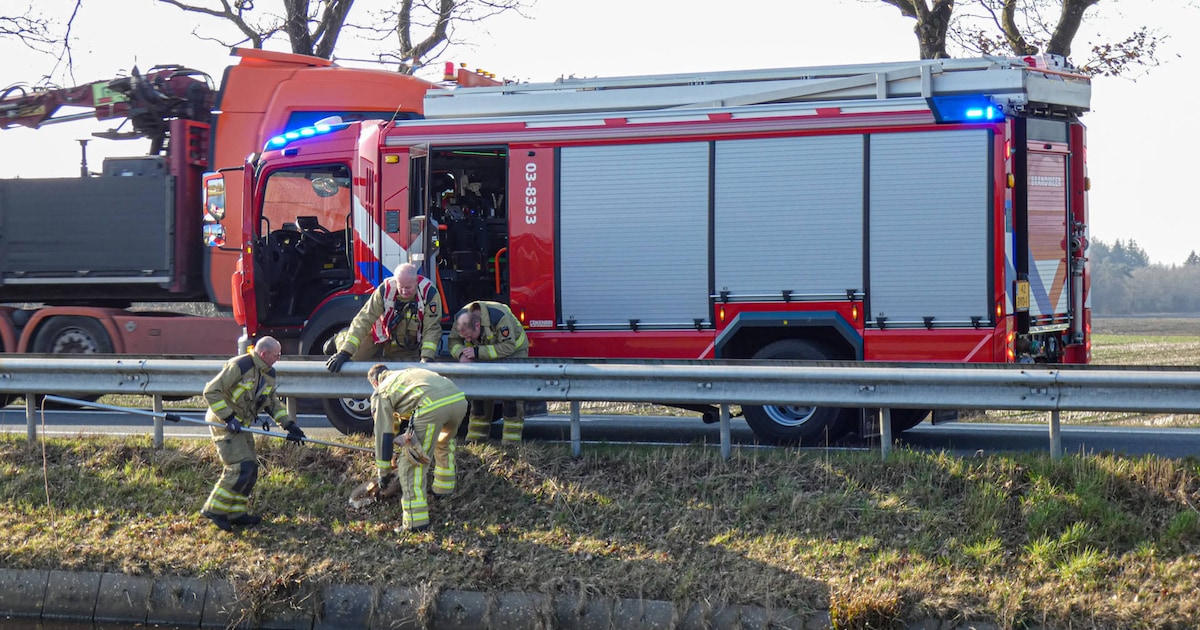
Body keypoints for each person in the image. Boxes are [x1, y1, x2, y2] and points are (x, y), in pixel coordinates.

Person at [199, 336, 306, 532]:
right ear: (264, 354)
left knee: (251, 470)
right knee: (240, 467)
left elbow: (272, 403)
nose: (278, 359)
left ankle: (236, 513)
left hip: (241, 424)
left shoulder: (269, 373)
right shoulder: (240, 366)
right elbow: (211, 391)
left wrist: (289, 425)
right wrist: (229, 417)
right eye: (276, 355)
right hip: (224, 422)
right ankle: (214, 509)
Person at [368, 363, 468, 533]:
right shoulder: (406, 374)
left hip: (432, 407)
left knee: (412, 463)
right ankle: (443, 490)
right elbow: (393, 423)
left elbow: (383, 432)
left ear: (375, 383)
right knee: (443, 443)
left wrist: (383, 472)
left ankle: (415, 522)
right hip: (458, 401)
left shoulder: (381, 391)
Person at [325, 262, 443, 372]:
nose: (403, 291)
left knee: (405, 370)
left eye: (408, 287)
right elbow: (364, 319)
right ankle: (340, 338)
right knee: (353, 358)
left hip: (406, 343)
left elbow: (431, 328)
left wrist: (427, 358)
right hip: (377, 335)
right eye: (401, 286)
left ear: (416, 281)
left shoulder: (429, 293)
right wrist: (344, 352)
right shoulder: (384, 290)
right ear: (396, 282)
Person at [448, 300, 529, 443]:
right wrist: (461, 354)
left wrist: (478, 352)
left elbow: (508, 346)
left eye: (469, 336)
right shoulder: (461, 318)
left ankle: (511, 443)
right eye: (464, 337)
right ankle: (476, 440)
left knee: (511, 397)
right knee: (480, 394)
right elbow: (453, 341)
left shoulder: (499, 318)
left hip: (513, 353)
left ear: (477, 325)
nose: (467, 339)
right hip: (481, 351)